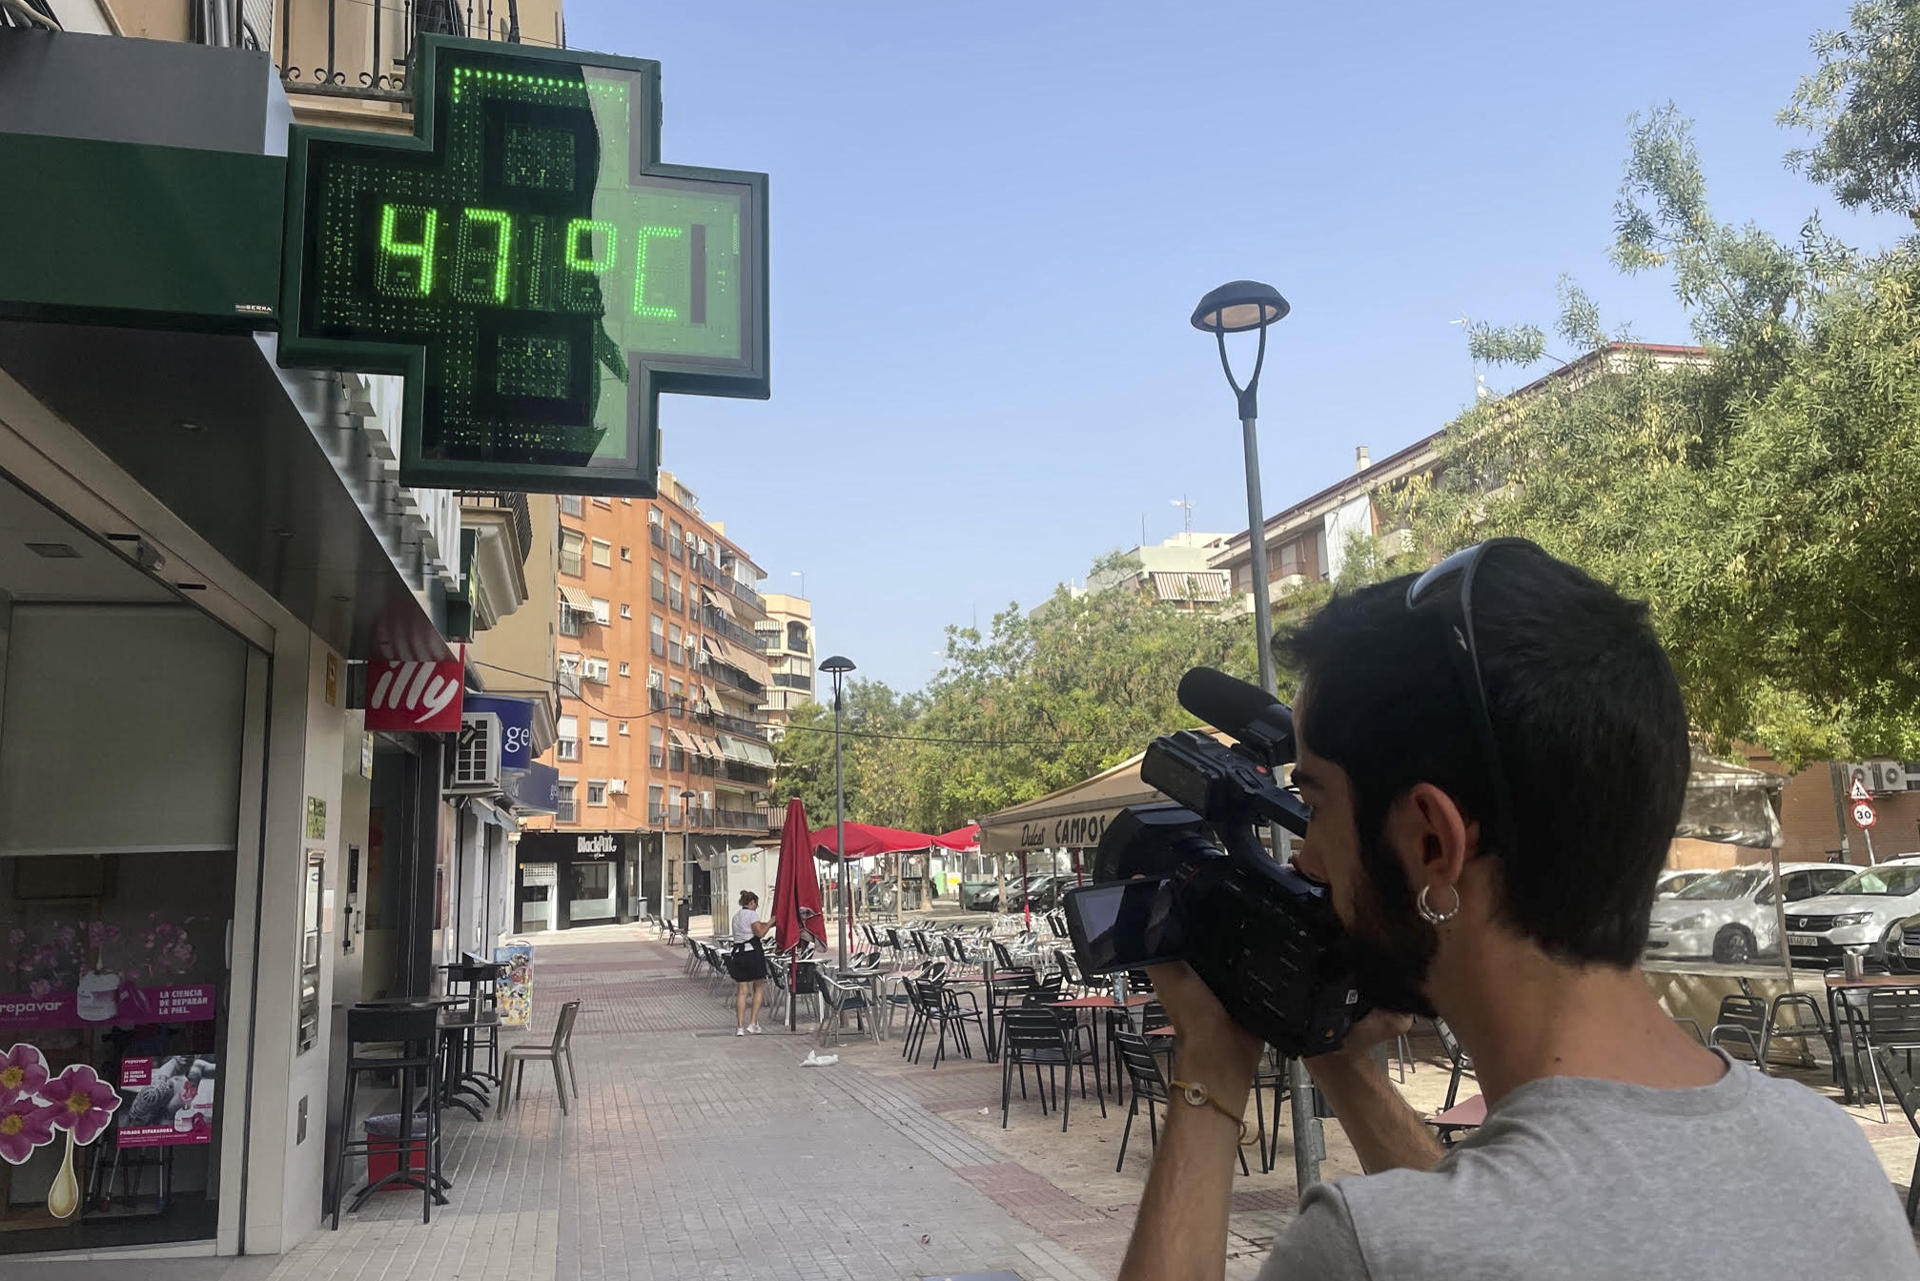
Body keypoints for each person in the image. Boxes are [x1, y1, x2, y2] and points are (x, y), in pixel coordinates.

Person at [1119, 540, 1920, 1281]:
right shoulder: (1833, 1160)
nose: (1304, 859)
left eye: (1316, 804)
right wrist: (1333, 1052)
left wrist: (1212, 1067)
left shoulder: (1369, 1248)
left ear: (1434, 842)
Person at [729, 890, 773, 1036]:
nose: (757, 907)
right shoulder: (752, 914)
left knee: (742, 991)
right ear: (752, 903)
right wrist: (772, 922)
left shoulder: (736, 916)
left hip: (739, 954)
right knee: (759, 987)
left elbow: (753, 928)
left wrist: (767, 924)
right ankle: (753, 1022)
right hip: (752, 954)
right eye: (756, 904)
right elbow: (759, 932)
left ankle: (739, 1027)